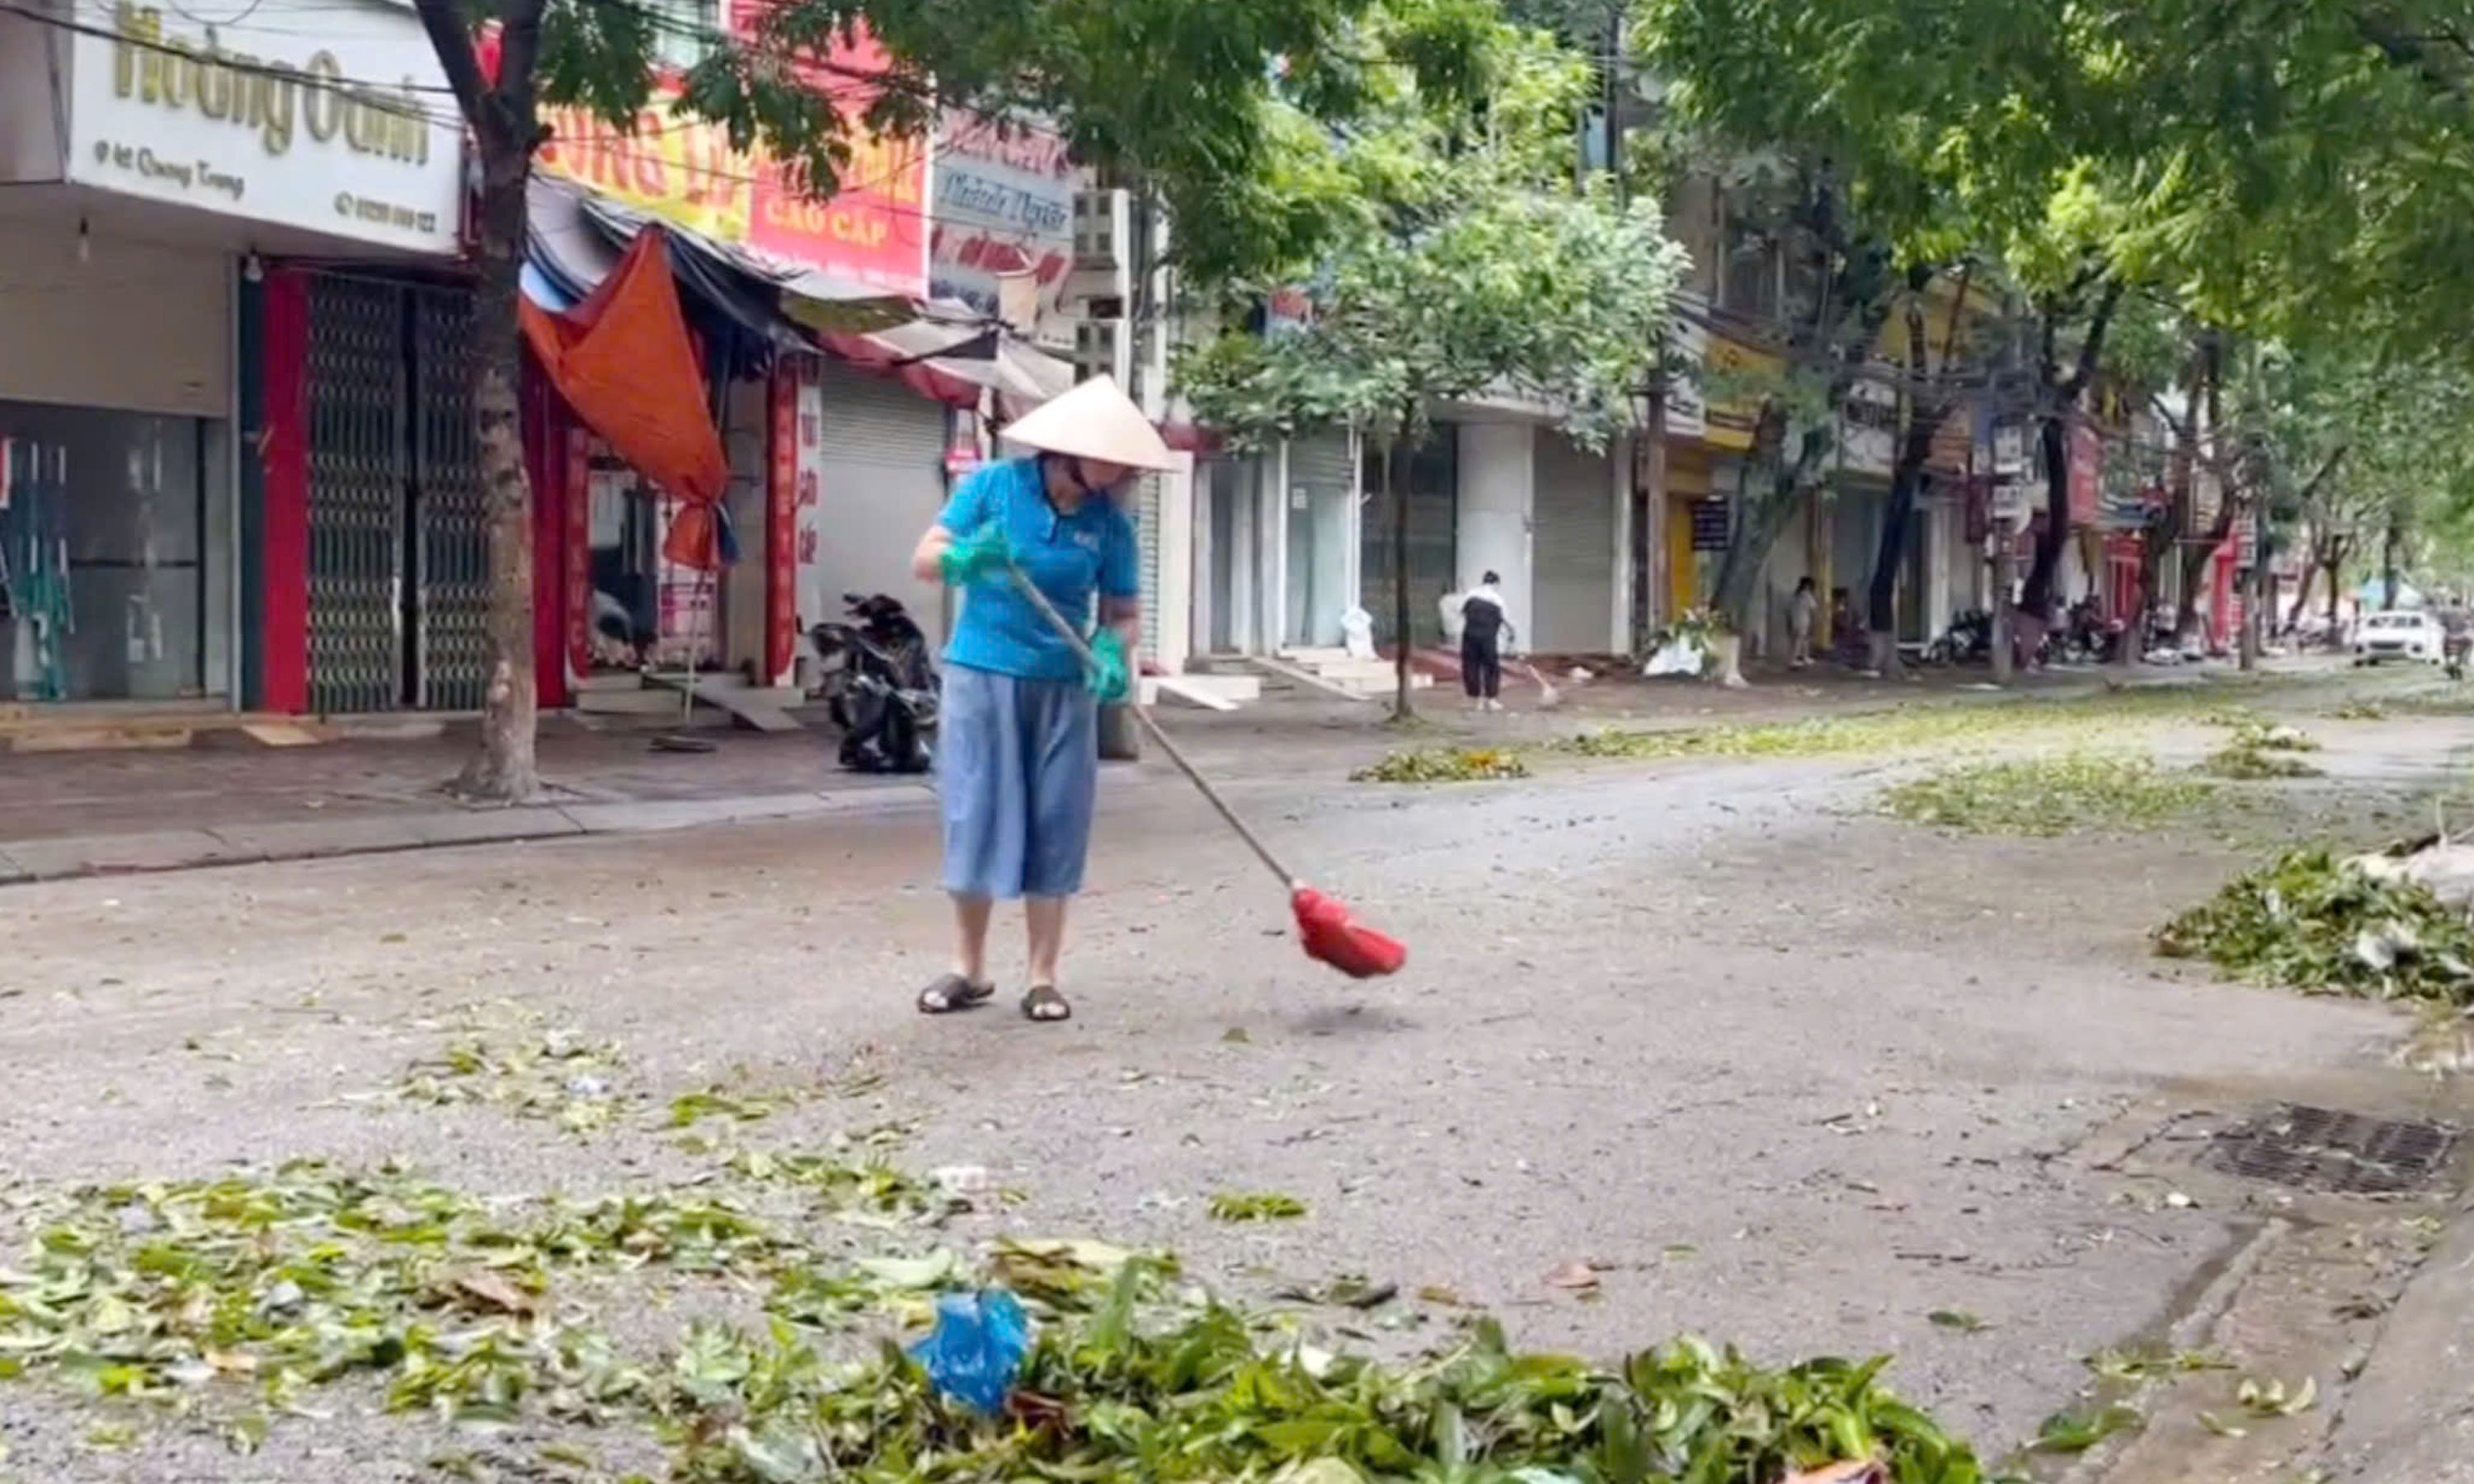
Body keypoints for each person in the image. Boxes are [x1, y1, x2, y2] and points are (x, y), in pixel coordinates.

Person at [906, 376, 1177, 1024]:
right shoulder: (996, 487)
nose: (1125, 474)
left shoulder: (1111, 526)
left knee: (1056, 817)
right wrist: (968, 560)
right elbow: (925, 557)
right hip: (982, 673)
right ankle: (969, 969)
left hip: (1062, 684)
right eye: (1117, 461)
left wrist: (1115, 654)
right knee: (976, 812)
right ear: (1074, 452)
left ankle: (1043, 976)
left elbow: (1122, 610)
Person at [1460, 571, 1512, 711]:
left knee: (1471, 666)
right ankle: (1491, 699)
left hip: (1470, 635)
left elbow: (1462, 612)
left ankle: (1474, 699)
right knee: (1491, 667)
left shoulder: (1470, 594)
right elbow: (1506, 620)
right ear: (1496, 584)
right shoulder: (1497, 599)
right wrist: (1512, 633)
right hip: (1488, 638)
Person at [1788, 577, 1818, 668]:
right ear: (1808, 585)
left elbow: (1788, 610)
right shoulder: (1807, 596)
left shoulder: (1795, 596)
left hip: (1795, 620)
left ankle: (1805, 657)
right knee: (1800, 640)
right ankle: (1793, 660)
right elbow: (1813, 610)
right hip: (1803, 620)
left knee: (1802, 640)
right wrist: (1814, 622)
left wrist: (1789, 623)